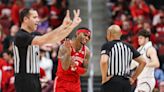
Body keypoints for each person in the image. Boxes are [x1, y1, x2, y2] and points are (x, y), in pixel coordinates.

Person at [12, 8, 81, 92]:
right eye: (34, 17)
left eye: (38, 17)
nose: (38, 20)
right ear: (25, 19)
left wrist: (71, 26)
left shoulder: (33, 35)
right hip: (24, 79)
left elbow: (55, 38)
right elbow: (45, 39)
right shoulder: (20, 36)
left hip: (35, 78)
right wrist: (63, 26)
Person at [100, 25, 146, 92]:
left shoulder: (107, 45)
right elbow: (143, 62)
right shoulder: (129, 47)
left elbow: (104, 61)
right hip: (126, 82)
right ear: (121, 34)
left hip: (111, 81)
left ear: (109, 34)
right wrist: (133, 78)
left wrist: (104, 78)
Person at [54, 27, 91, 92]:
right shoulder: (64, 46)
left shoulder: (87, 51)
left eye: (89, 37)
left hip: (75, 83)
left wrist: (76, 67)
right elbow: (65, 67)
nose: (87, 38)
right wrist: (68, 53)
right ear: (77, 34)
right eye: (85, 35)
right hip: (62, 82)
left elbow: (84, 71)